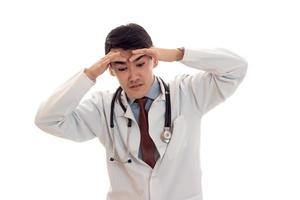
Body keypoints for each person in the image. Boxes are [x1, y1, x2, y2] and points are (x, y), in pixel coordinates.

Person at [35, 23, 247, 200]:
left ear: (154, 59)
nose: (133, 75)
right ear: (111, 69)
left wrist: (176, 54)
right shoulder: (102, 108)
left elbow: (236, 68)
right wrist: (90, 74)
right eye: (122, 67)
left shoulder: (188, 92)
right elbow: (47, 119)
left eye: (140, 63)